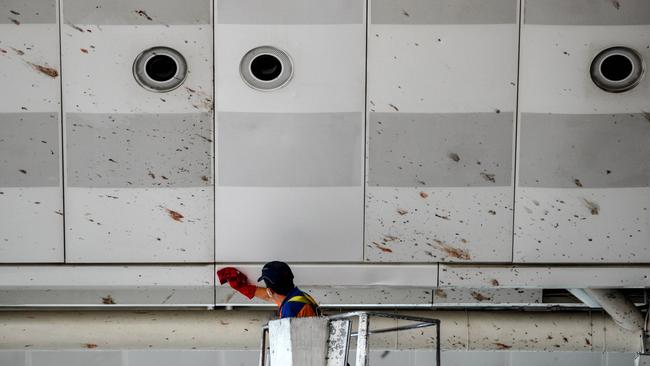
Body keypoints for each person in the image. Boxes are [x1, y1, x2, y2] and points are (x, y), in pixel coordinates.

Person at [217, 261, 320, 319]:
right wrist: (241, 286)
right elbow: (266, 295)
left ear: (270, 291)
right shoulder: (300, 297)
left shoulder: (290, 310)